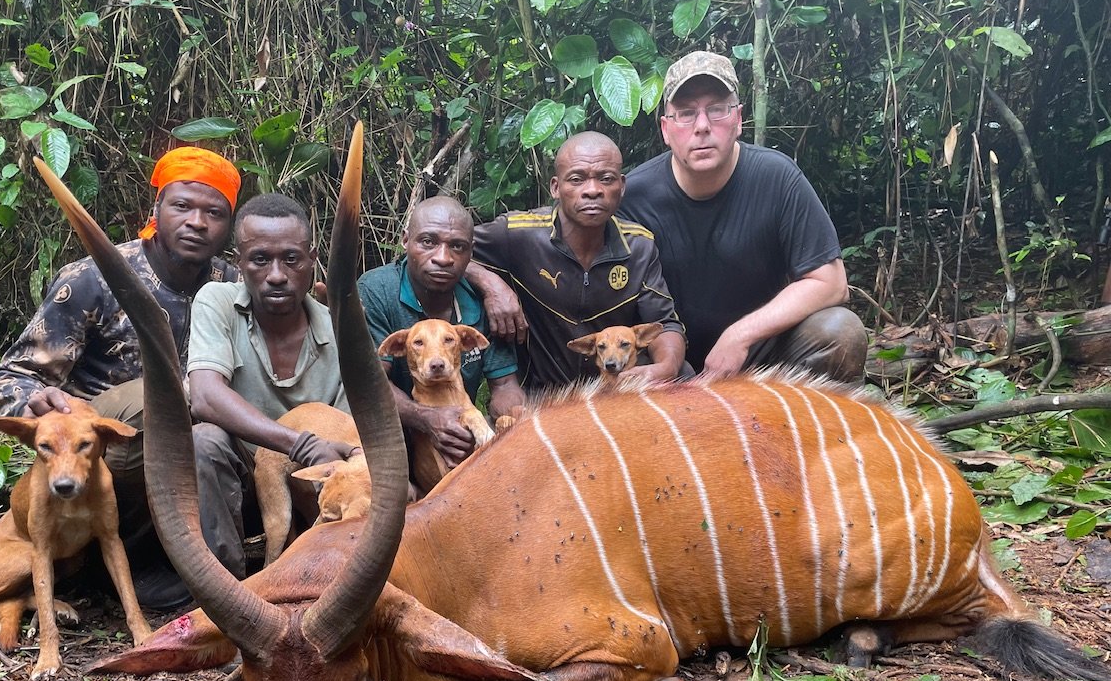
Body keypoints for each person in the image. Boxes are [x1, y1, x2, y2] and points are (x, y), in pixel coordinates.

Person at [0, 146, 242, 608]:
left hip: (192, 442)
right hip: (104, 449)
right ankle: (122, 566)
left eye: (214, 213)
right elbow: (9, 375)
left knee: (212, 432)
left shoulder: (231, 282)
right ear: (156, 208)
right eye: (182, 206)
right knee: (158, 401)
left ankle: (205, 573)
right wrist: (34, 401)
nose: (197, 222)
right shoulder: (94, 277)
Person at [617, 50, 868, 381]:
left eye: (717, 110)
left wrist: (741, 335)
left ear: (738, 119)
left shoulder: (777, 176)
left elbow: (831, 283)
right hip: (668, 362)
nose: (702, 126)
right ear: (666, 129)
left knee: (840, 332)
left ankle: (817, 430)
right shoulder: (633, 195)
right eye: (686, 114)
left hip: (758, 356)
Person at [187, 193, 358, 578]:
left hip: (311, 485)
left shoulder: (339, 328)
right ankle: (227, 589)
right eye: (261, 259)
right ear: (239, 263)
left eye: (291, 259)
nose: (277, 274)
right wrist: (301, 444)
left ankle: (325, 574)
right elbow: (206, 396)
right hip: (238, 482)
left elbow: (349, 435)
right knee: (205, 442)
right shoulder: (217, 302)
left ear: (312, 259)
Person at [465, 132, 685, 392]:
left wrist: (665, 369)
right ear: (556, 187)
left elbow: (664, 323)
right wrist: (491, 285)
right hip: (542, 397)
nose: (592, 191)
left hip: (616, 392)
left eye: (605, 179)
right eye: (577, 179)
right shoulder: (518, 234)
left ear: (622, 186)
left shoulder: (638, 246)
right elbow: (447, 254)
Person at [359, 196, 525, 471]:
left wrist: (515, 428)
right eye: (428, 242)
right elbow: (371, 385)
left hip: (463, 429)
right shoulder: (377, 291)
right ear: (405, 241)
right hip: (392, 436)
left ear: (470, 252)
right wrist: (427, 418)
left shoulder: (485, 301)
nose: (443, 258)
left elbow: (505, 385)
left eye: (457, 246)